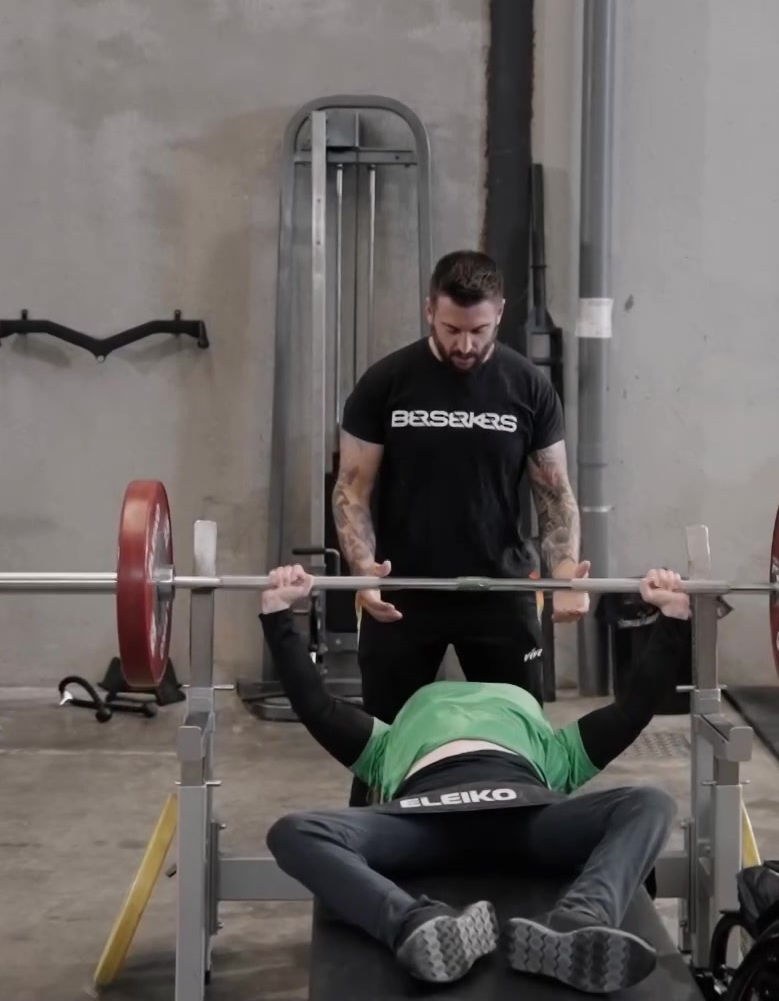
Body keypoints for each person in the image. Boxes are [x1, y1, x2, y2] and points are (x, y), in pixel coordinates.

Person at [261, 564, 691, 994]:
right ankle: (417, 926)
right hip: (441, 820)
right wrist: (278, 612)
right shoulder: (387, 744)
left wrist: (673, 616)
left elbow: (632, 710)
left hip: (499, 819)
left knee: (651, 802)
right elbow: (316, 706)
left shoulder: (544, 746)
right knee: (293, 830)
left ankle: (578, 920)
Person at [334, 250, 586, 786]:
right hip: (402, 593)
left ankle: (519, 835)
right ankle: (379, 835)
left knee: (520, 742)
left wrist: (565, 573)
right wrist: (363, 570)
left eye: (479, 330)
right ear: (429, 310)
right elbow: (352, 488)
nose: (465, 345)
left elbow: (553, 492)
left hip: (500, 590)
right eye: (452, 329)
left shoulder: (528, 387)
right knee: (383, 749)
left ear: (500, 313)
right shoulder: (386, 382)